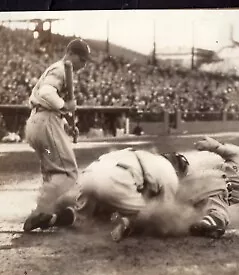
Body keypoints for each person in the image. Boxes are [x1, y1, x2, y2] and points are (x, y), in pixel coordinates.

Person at [25, 148, 180, 242]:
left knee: (83, 217)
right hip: (116, 181)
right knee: (150, 215)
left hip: (90, 174)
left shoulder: (139, 153)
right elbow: (165, 213)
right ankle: (124, 225)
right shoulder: (169, 172)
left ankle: (53, 219)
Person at [23, 39, 91, 232]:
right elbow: (46, 93)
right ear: (71, 53)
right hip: (45, 122)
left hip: (37, 124)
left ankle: (46, 213)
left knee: (52, 172)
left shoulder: (58, 69)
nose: (84, 65)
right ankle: (40, 211)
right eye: (83, 59)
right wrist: (64, 106)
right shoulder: (61, 68)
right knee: (69, 173)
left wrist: (68, 125)